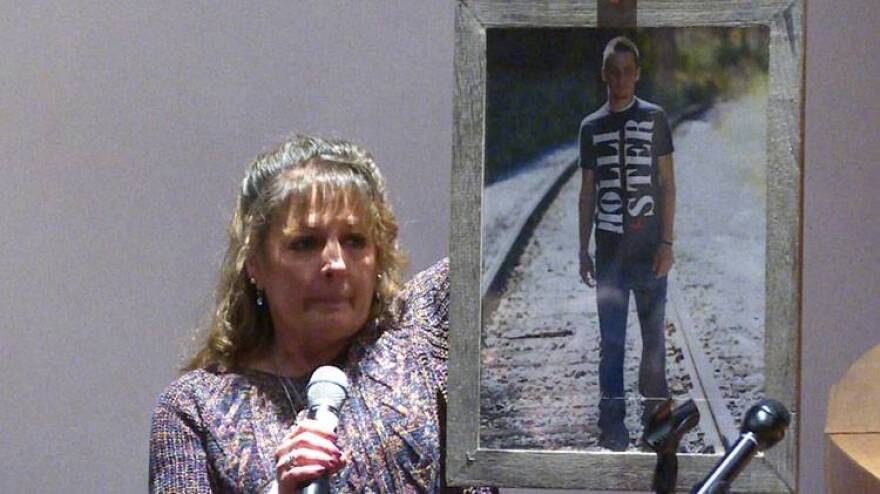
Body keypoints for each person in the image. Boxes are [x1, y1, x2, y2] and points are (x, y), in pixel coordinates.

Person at [149, 135, 492, 493]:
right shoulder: (196, 410)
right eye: (305, 243)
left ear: (379, 254)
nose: (336, 264)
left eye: (355, 240)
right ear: (255, 264)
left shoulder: (425, 327)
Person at [577, 36, 677, 451]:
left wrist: (667, 242)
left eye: (627, 71)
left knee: (653, 340)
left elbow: (668, 184)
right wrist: (582, 248)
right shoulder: (591, 126)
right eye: (612, 71)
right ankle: (612, 426)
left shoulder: (655, 119)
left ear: (637, 74)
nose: (620, 79)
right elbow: (587, 193)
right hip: (611, 253)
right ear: (604, 75)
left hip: (649, 249)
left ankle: (657, 423)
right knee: (612, 343)